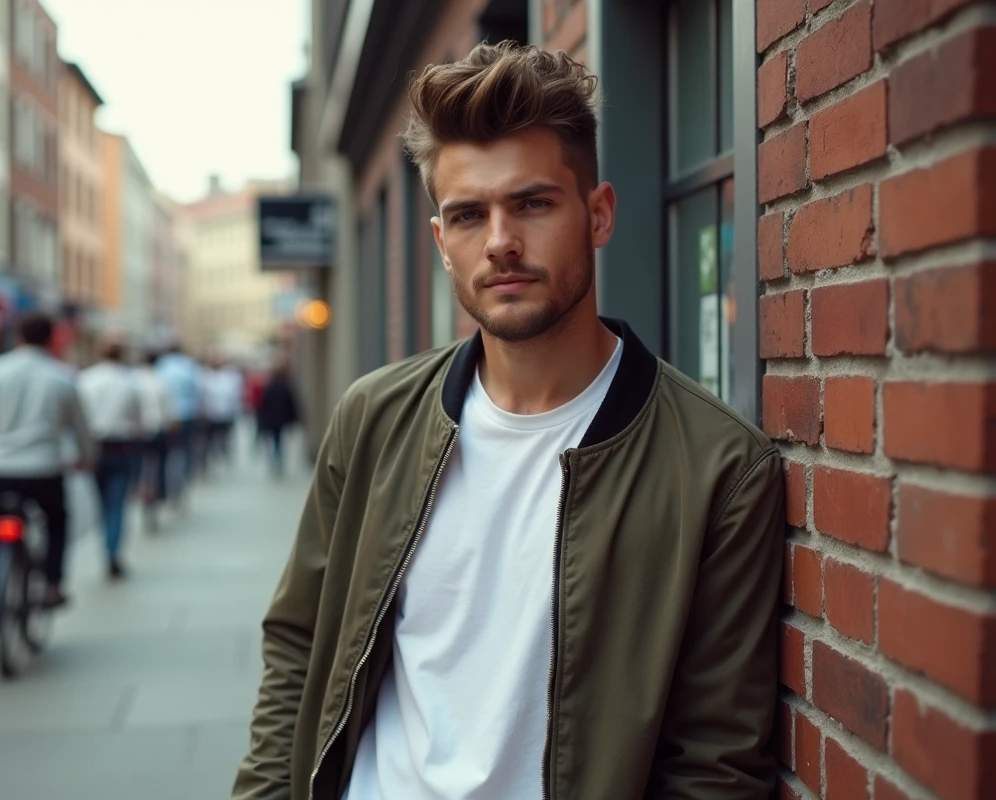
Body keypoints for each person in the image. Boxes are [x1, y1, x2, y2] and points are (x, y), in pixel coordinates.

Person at [233, 42, 785, 800]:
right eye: (468, 214)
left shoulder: (718, 467)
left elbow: (716, 764)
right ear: (441, 242)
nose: (499, 242)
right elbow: (300, 650)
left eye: (531, 203)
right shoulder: (373, 418)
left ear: (598, 214)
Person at [0, 312, 96, 627]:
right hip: (45, 468)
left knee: (2, 532)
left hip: (3, 468)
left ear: (18, 337)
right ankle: (52, 584)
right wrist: (85, 457)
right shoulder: (62, 376)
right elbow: (81, 428)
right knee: (57, 522)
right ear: (51, 339)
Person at [77, 338, 142, 579]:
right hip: (121, 448)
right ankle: (112, 552)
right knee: (117, 505)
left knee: (102, 503)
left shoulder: (86, 380)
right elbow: (138, 420)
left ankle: (107, 546)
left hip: (95, 447)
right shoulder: (129, 382)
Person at [134, 350, 175, 532]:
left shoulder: (133, 380)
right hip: (157, 429)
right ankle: (157, 496)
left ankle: (142, 494)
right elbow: (167, 409)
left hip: (138, 431)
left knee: (139, 467)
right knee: (158, 466)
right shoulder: (160, 381)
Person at [155, 344, 203, 498]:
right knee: (184, 450)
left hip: (165, 415)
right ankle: (182, 480)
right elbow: (197, 390)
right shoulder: (188, 365)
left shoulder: (161, 365)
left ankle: (162, 487)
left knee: (163, 454)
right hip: (186, 413)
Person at [255, 362, 300, 476]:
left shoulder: (270, 387)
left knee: (275, 440)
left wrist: (262, 419)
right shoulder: (286, 387)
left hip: (272, 419)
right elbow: (291, 405)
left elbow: (263, 405)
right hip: (281, 419)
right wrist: (294, 419)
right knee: (278, 440)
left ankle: (275, 459)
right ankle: (278, 459)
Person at [201, 353, 243, 466]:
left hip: (225, 413)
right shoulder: (205, 375)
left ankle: (223, 452)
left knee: (224, 436)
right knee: (208, 439)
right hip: (210, 414)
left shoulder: (229, 376)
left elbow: (234, 395)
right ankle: (208, 458)